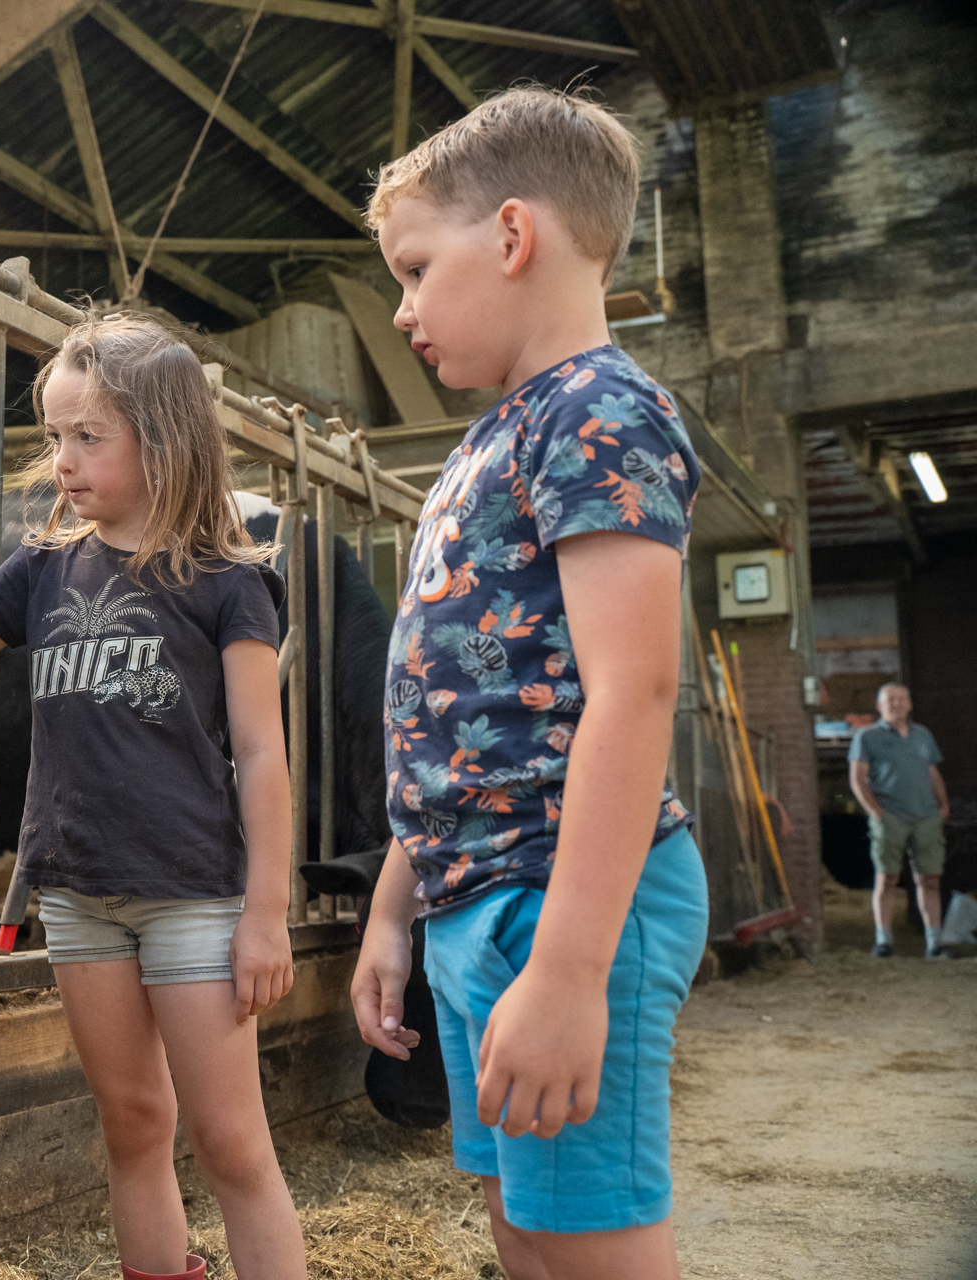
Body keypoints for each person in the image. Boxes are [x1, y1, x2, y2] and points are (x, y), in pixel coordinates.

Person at [0, 316, 307, 1280]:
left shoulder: (231, 582)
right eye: (54, 436)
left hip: (194, 895)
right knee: (131, 1124)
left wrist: (268, 917)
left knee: (232, 1142)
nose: (63, 460)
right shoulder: (41, 567)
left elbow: (261, 751)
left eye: (89, 436)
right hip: (77, 895)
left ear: (161, 441)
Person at [349, 86, 708, 1280]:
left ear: (511, 237)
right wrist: (396, 908)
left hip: (562, 895)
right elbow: (451, 717)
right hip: (475, 894)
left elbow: (634, 693)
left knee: (591, 1238)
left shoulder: (600, 412)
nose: (400, 308)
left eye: (411, 268)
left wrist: (566, 969)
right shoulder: (483, 444)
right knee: (526, 1227)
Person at [848, 682, 951, 958]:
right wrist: (875, 812)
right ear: (880, 706)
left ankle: (934, 943)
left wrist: (943, 804)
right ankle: (884, 940)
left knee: (929, 879)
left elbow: (932, 772)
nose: (896, 704)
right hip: (890, 815)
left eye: (901, 699)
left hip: (926, 816)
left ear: (910, 704)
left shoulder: (922, 735)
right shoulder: (866, 737)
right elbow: (857, 779)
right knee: (887, 878)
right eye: (890, 700)